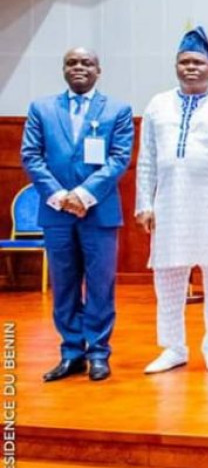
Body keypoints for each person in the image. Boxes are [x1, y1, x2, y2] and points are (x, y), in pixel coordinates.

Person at [136, 27, 208, 374]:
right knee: (168, 277)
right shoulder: (158, 104)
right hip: (170, 204)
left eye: (197, 62)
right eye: (184, 62)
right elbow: (147, 158)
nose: (190, 67)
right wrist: (145, 203)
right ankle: (173, 347)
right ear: (175, 66)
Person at [21, 48, 134, 383]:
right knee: (64, 285)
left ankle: (98, 353)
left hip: (99, 212)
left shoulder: (118, 110)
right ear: (63, 69)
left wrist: (83, 195)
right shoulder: (41, 108)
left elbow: (119, 157)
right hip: (56, 214)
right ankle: (71, 353)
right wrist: (59, 196)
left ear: (99, 70)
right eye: (72, 62)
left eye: (87, 63)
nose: (79, 67)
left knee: (100, 285)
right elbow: (31, 155)